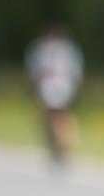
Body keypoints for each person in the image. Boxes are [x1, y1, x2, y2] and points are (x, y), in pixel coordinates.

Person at [24, 25, 84, 164]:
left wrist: (32, 88)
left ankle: (60, 144)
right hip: (66, 85)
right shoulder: (70, 49)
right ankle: (63, 142)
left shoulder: (40, 48)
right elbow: (77, 72)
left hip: (48, 85)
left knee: (51, 115)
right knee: (63, 114)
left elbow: (35, 71)